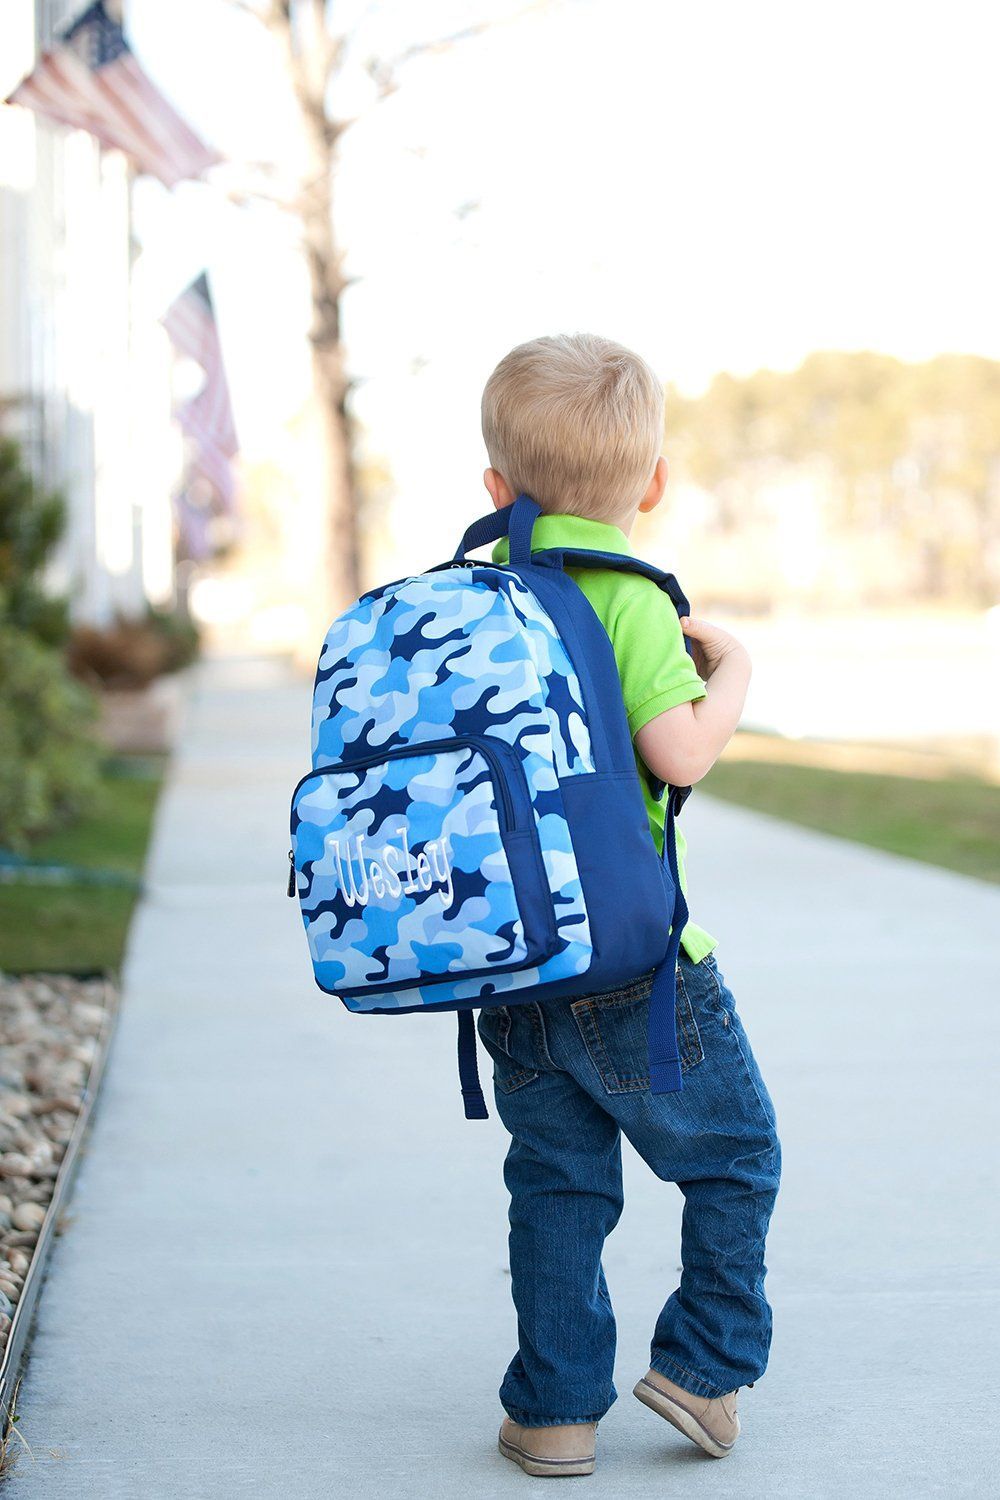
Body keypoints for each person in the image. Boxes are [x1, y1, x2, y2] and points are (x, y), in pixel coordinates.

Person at [475, 334, 781, 1478]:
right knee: (735, 1157)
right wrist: (733, 671)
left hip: (512, 965)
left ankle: (553, 1414)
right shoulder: (630, 600)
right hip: (639, 965)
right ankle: (702, 1370)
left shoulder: (485, 593)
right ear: (649, 486)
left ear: (496, 490)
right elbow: (680, 753)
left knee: (557, 1184)